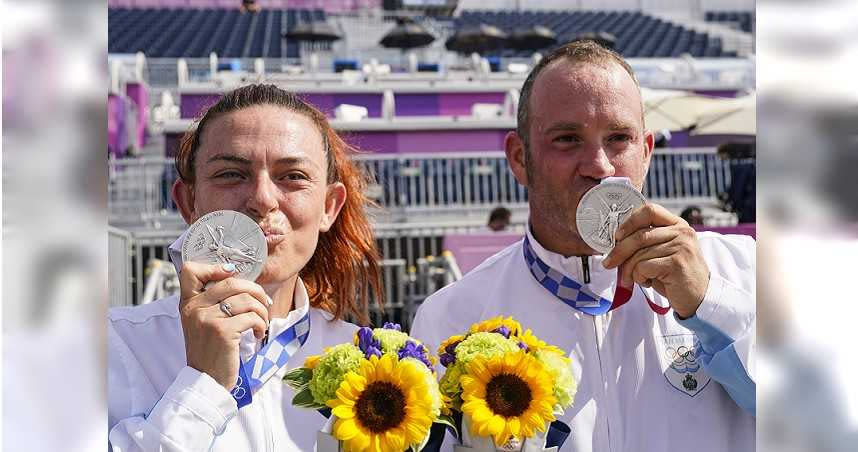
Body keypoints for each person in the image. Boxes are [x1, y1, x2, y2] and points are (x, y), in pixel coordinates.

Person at [411, 41, 755, 451]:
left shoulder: (742, 268)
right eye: (568, 139)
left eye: (618, 138)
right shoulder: (453, 316)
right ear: (520, 158)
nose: (600, 166)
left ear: (645, 153)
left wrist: (709, 303)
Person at [108, 84, 383, 451]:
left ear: (329, 207)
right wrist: (202, 383)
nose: (262, 199)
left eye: (293, 177)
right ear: (188, 202)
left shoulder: (376, 364)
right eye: (231, 174)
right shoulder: (111, 346)